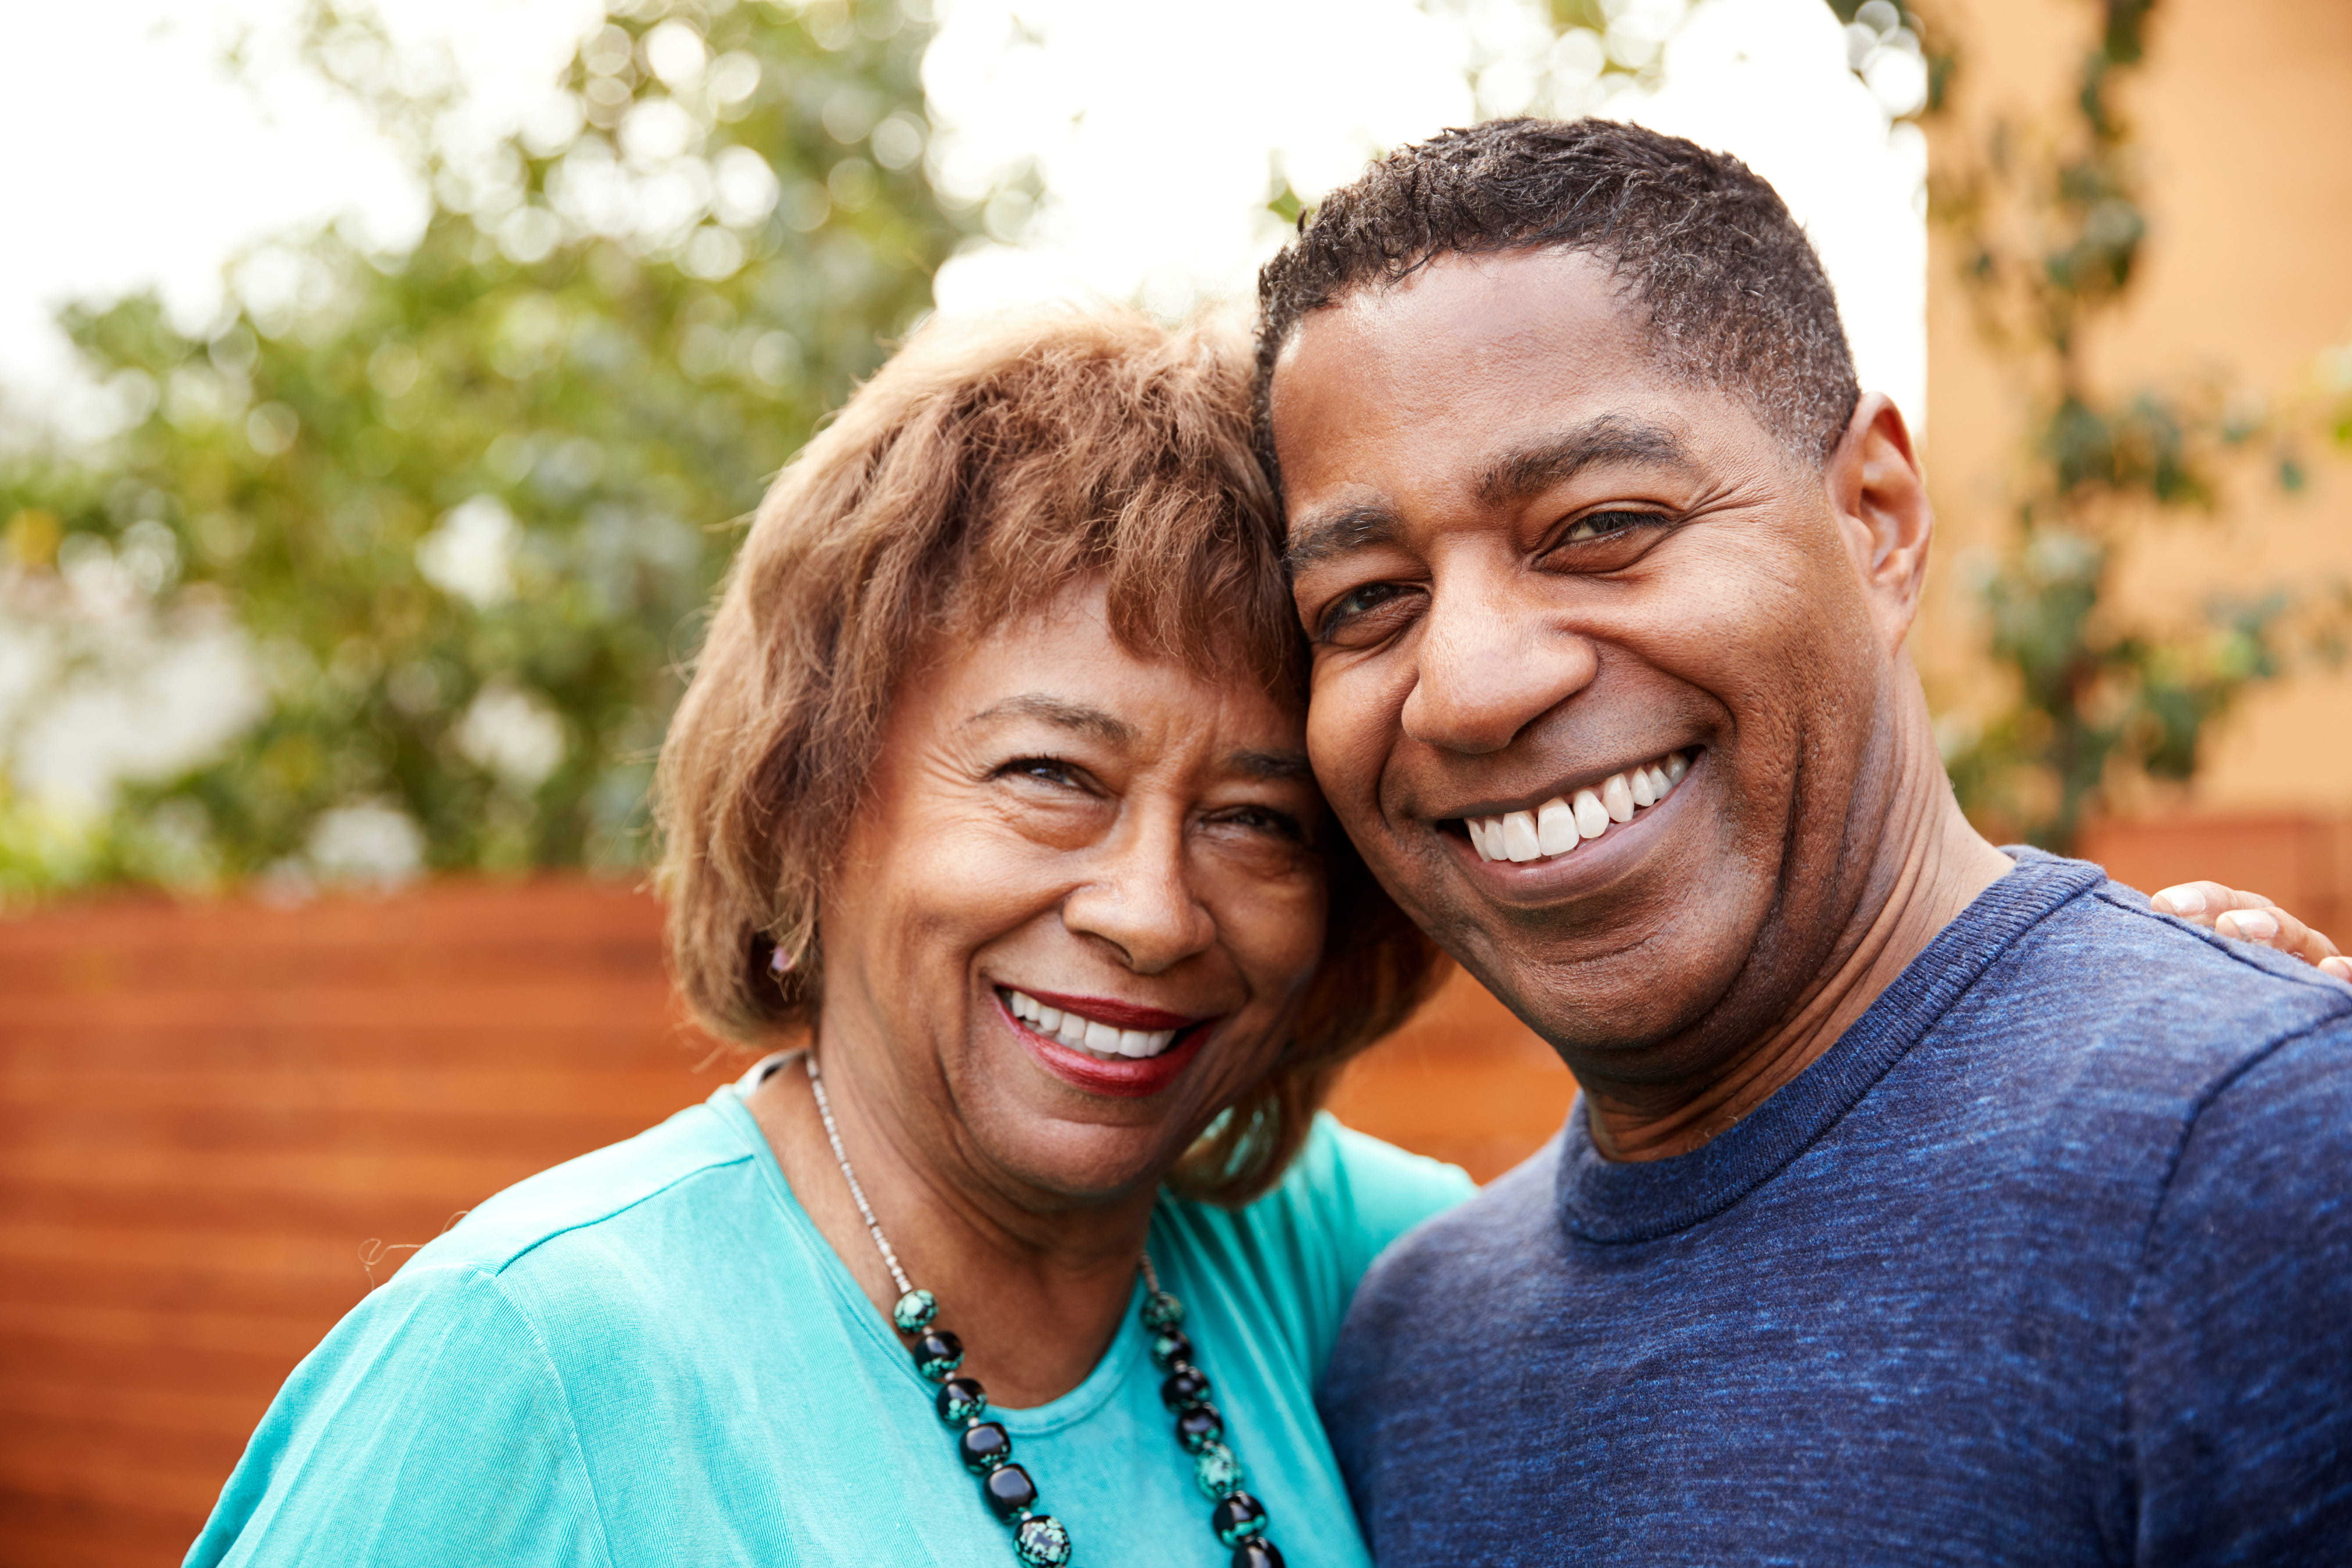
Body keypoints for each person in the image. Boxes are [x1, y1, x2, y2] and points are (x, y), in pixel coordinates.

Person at [185, 308, 1475, 1568]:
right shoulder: (530, 1358)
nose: (1150, 914)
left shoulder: (1348, 1266)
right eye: (1052, 774)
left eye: (1258, 820)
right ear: (809, 793)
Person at [1253, 117, 2352, 1564]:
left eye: (1601, 526)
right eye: (1366, 601)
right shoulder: (1401, 1353)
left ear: (1876, 518)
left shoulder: (2259, 1171)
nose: (1470, 685)